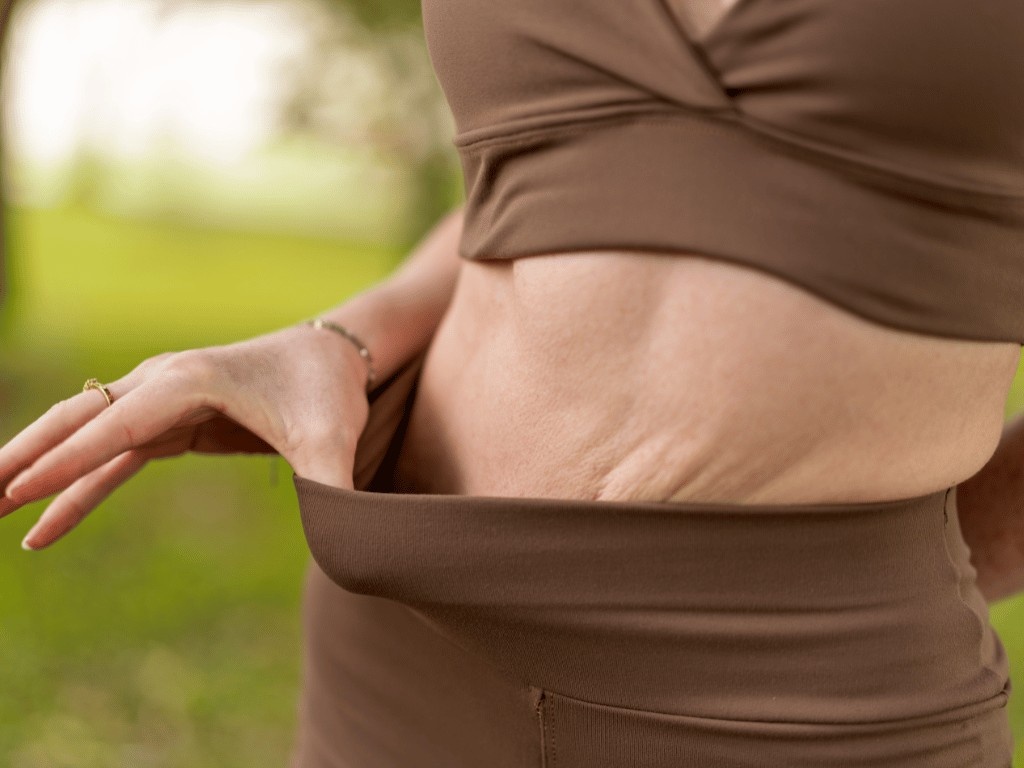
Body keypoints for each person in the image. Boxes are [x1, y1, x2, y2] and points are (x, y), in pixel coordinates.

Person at [3, 0, 1024, 765]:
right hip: (411, 617)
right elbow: (542, 172)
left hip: (807, 681)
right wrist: (346, 339)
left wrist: (874, 575)